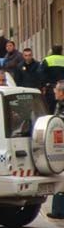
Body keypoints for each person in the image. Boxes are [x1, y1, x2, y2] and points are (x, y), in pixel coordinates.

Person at [48, 81, 64, 219]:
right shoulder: (59, 105)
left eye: (56, 90)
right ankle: (58, 210)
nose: (54, 92)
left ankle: (59, 210)